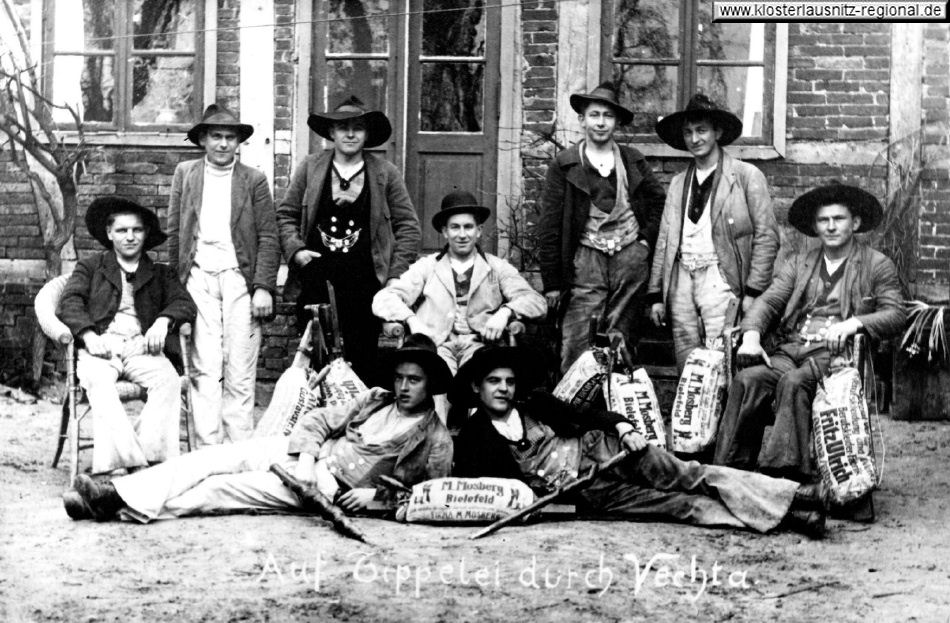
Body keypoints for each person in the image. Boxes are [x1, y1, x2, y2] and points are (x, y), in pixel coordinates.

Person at [62, 334, 454, 522]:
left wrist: (374, 498)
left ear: (430, 384)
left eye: (414, 380)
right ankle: (114, 493)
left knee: (217, 490)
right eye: (400, 377)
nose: (403, 387)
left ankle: (115, 507)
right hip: (303, 457)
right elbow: (318, 420)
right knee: (214, 457)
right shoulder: (376, 399)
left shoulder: (434, 440)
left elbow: (430, 497)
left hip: (328, 489)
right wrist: (305, 456)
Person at [451, 345, 831, 537]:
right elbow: (501, 493)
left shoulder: (535, 404)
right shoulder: (475, 438)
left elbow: (586, 417)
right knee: (680, 506)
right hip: (588, 493)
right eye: (493, 382)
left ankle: (794, 494)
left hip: (606, 449)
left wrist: (623, 428)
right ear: (475, 387)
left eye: (508, 381)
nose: (503, 389)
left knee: (691, 474)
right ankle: (794, 520)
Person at [713, 183, 906, 481]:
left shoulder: (876, 265)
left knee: (794, 382)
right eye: (823, 221)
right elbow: (769, 301)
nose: (830, 227)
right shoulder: (799, 263)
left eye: (838, 219)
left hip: (836, 359)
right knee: (747, 379)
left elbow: (896, 314)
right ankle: (730, 472)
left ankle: (785, 476)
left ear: (854, 223)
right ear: (815, 227)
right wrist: (751, 336)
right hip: (790, 349)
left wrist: (854, 323)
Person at [277, 96, 421, 385]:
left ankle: (359, 425)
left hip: (364, 281)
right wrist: (297, 251)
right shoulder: (311, 167)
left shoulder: (384, 172)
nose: (351, 134)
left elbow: (409, 226)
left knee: (362, 358)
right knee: (316, 358)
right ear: (331, 133)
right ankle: (318, 424)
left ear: (367, 134)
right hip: (318, 278)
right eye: (343, 127)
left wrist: (393, 276)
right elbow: (285, 214)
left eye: (358, 127)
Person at [166, 103, 281, 447]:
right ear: (202, 139)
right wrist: (178, 288)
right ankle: (206, 447)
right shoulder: (185, 174)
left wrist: (263, 288)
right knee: (205, 365)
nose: (222, 144)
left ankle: (238, 448)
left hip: (239, 280)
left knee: (240, 369)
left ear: (238, 143)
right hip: (198, 277)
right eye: (215, 136)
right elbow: (175, 233)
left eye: (230, 137)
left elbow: (269, 236)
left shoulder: (253, 180)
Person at [57, 196, 196, 475]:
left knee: (168, 380)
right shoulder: (91, 267)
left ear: (145, 234)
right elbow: (69, 302)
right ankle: (121, 465)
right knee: (98, 381)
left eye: (137, 230)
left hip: (140, 346)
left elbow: (184, 303)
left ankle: (149, 459)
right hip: (101, 345)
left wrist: (162, 322)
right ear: (109, 234)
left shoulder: (160, 273)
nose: (130, 237)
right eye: (122, 230)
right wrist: (87, 334)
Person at [538, 82, 666, 373]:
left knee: (621, 340)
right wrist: (553, 283)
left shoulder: (632, 160)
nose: (600, 122)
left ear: (617, 122)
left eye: (608, 116)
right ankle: (574, 413)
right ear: (582, 120)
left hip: (629, 260)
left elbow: (660, 204)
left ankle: (615, 411)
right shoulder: (565, 164)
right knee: (577, 340)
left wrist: (644, 242)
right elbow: (550, 225)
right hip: (586, 259)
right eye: (594, 115)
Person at [648, 94, 779, 369]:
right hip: (681, 278)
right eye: (688, 132)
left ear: (717, 132)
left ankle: (721, 412)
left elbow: (767, 237)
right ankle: (693, 410)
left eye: (701, 130)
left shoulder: (745, 176)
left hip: (721, 278)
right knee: (686, 352)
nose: (694, 139)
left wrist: (754, 292)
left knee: (721, 353)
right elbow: (664, 241)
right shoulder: (678, 183)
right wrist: (656, 295)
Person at [372, 190, 546, 373]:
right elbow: (384, 298)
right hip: (436, 348)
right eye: (455, 227)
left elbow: (537, 302)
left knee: (474, 385)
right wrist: (412, 320)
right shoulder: (428, 267)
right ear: (445, 232)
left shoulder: (497, 267)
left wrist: (505, 313)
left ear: (479, 231)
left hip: (480, 348)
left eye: (468, 227)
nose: (462, 235)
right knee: (438, 385)